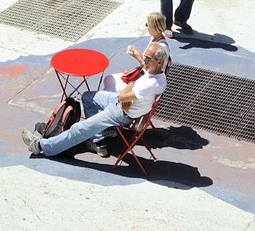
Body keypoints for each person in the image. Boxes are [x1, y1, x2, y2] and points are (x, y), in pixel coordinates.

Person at [21, 42, 169, 158]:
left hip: (121, 113)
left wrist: (130, 85)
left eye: (148, 59)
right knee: (87, 97)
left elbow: (122, 97)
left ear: (160, 62)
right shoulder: (158, 75)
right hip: (125, 106)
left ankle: (41, 146)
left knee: (79, 129)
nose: (145, 61)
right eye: (145, 57)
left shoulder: (149, 84)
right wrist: (132, 84)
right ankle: (95, 139)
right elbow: (129, 91)